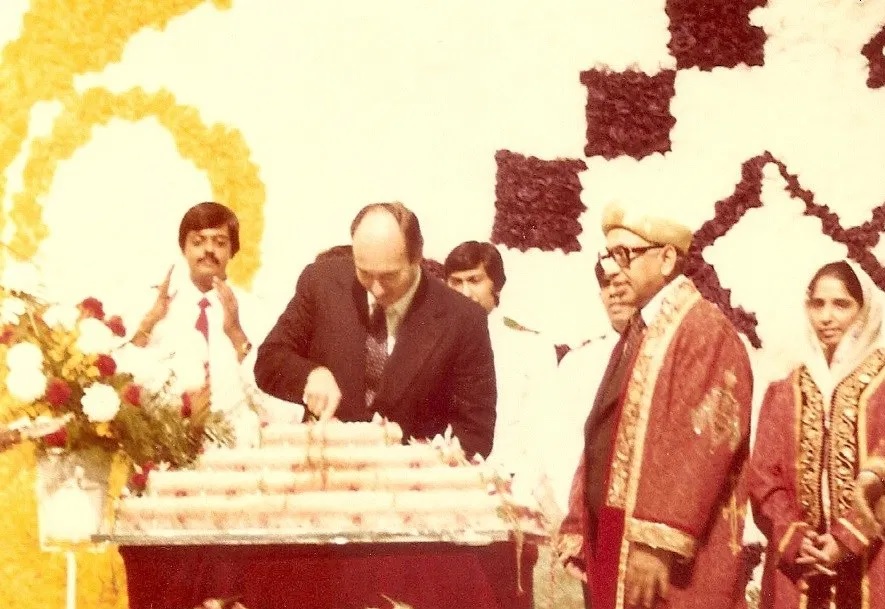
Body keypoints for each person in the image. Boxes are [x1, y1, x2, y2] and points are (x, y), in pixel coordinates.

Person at [560, 201, 754, 609]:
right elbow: (604, 432)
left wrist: (657, 544)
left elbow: (704, 447)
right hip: (614, 533)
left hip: (664, 557)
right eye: (608, 255)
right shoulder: (641, 330)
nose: (612, 270)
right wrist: (579, 520)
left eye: (625, 254)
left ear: (667, 259)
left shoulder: (703, 330)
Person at [254, 202, 497, 458]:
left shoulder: (462, 318)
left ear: (417, 257)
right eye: (365, 273)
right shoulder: (322, 283)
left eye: (390, 276)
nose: (376, 288)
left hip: (407, 474)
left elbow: (475, 433)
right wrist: (310, 375)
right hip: (327, 468)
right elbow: (269, 360)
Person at [747, 260, 885, 609]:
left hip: (875, 561)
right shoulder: (787, 386)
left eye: (841, 304)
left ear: (864, 309)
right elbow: (763, 476)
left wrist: (848, 538)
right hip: (799, 569)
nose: (826, 317)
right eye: (817, 304)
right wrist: (796, 539)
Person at [124, 201, 300, 446]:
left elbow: (281, 405)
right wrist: (149, 324)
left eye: (219, 242)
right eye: (198, 242)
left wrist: (237, 335)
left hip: (236, 446)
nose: (208, 250)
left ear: (232, 251)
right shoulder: (155, 306)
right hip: (165, 446)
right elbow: (123, 384)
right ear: (183, 248)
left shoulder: (257, 311)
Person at [443, 240, 557, 483]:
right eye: (456, 282)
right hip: (449, 479)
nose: (465, 292)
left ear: (496, 284)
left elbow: (541, 430)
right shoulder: (436, 345)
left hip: (509, 479)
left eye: (474, 280)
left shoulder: (530, 346)